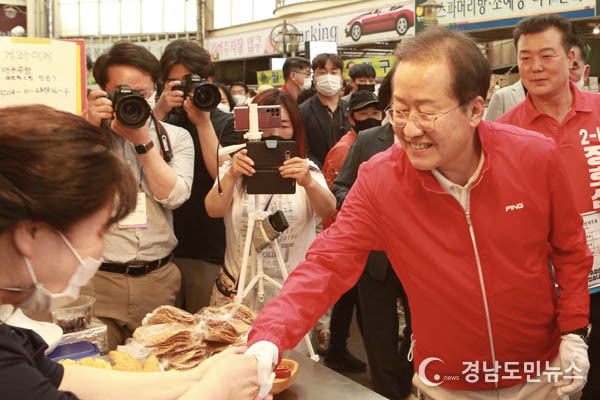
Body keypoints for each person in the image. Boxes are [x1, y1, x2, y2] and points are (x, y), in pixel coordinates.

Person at [246, 27, 592, 400]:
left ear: (475, 109)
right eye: (399, 110)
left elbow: (570, 249)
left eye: (427, 112)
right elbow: (328, 263)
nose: (409, 129)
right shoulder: (381, 179)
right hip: (446, 382)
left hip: (539, 375)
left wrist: (574, 330)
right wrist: (269, 337)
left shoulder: (534, 157)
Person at [0, 104, 263, 400]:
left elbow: (59, 377)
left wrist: (197, 377)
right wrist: (217, 389)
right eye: (99, 230)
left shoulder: (11, 336)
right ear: (31, 235)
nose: (100, 248)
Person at [496, 13, 599, 400]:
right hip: (548, 288)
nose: (535, 67)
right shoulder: (505, 131)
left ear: (571, 57)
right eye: (525, 58)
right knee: (563, 386)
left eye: (547, 55)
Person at [204, 89, 335, 349]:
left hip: (289, 294)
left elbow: (328, 209)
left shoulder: (306, 169)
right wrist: (231, 175)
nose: (274, 133)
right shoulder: (233, 169)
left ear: (295, 130)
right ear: (251, 127)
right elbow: (213, 210)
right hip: (237, 291)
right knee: (232, 362)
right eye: (265, 125)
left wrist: (308, 181)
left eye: (284, 126)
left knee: (288, 362)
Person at [86, 41, 195, 349]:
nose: (135, 100)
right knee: (97, 370)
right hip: (97, 280)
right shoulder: (85, 135)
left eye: (143, 93)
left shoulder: (176, 137)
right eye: (124, 92)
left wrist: (143, 143)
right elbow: (69, 193)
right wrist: (88, 130)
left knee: (156, 366)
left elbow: (174, 196)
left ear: (157, 89)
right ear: (104, 92)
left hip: (157, 280)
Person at [331, 65, 415, 400]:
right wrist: (364, 208)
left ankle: (407, 382)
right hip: (375, 260)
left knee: (421, 331)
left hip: (421, 259)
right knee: (379, 337)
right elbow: (341, 187)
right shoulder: (368, 141)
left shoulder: (435, 140)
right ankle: (387, 391)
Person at [153, 39, 239, 315]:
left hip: (209, 247)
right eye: (174, 82)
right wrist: (159, 111)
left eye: (190, 81)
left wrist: (202, 122)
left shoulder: (227, 123)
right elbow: (138, 157)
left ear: (208, 81)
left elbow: (222, 177)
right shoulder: (163, 120)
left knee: (204, 328)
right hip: (163, 249)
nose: (184, 89)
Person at [321, 90, 382, 373]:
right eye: (363, 114)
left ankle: (339, 349)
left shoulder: (365, 142)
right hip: (349, 233)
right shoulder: (347, 148)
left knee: (350, 297)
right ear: (351, 117)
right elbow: (337, 193)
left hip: (359, 232)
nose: (370, 118)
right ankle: (341, 350)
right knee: (352, 296)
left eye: (374, 113)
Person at [299, 53, 351, 168]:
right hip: (317, 173)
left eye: (333, 72)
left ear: (341, 79)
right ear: (314, 79)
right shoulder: (303, 112)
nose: (328, 77)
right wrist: (322, 172)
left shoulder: (351, 110)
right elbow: (304, 150)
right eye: (322, 73)